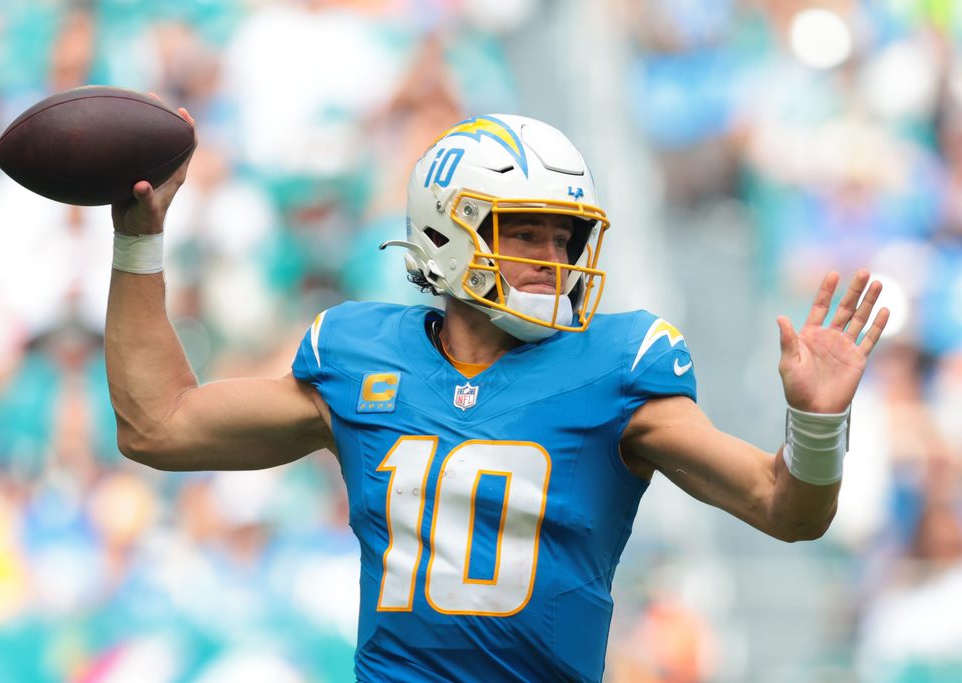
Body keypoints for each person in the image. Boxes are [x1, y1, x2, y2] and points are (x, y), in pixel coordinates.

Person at [105, 111, 890, 682]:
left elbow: (785, 508)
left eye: (564, 238)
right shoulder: (357, 356)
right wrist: (138, 241)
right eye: (526, 233)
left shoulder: (617, 368)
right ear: (446, 231)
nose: (553, 259)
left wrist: (816, 423)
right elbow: (158, 427)